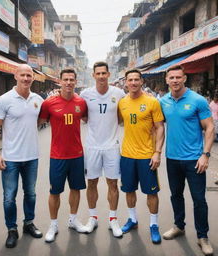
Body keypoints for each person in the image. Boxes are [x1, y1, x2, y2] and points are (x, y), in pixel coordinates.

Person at [160, 65, 214, 256]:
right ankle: (178, 226)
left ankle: (202, 236)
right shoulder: (163, 101)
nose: (174, 80)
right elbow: (158, 127)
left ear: (185, 79)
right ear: (167, 80)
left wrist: (205, 155)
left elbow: (209, 128)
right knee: (176, 195)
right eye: (171, 77)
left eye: (178, 77)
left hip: (194, 160)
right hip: (172, 159)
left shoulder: (197, 100)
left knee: (199, 199)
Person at [0, 64, 44, 248]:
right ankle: (12, 229)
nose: (26, 78)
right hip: (10, 159)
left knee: (31, 194)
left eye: (29, 75)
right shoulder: (5, 100)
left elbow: (45, 119)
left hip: (32, 157)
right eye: (23, 75)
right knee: (9, 197)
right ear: (16, 76)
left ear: (33, 78)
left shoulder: (38, 99)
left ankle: (28, 223)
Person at [39, 68, 88, 243]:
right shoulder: (49, 103)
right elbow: (38, 123)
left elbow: (88, 120)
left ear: (76, 82)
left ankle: (73, 220)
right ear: (59, 81)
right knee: (55, 192)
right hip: (57, 156)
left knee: (76, 189)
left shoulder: (81, 102)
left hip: (77, 155)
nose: (68, 82)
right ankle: (53, 225)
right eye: (65, 79)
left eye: (71, 80)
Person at [118, 69, 165, 244]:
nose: (133, 83)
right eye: (130, 80)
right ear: (126, 82)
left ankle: (154, 225)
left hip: (147, 156)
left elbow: (160, 127)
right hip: (127, 155)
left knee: (151, 193)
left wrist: (157, 153)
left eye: (136, 79)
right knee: (129, 190)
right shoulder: (122, 103)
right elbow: (115, 121)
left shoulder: (152, 102)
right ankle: (133, 219)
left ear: (142, 81)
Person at [80, 61, 125, 238]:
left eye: (103, 73)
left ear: (108, 74)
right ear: (93, 75)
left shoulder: (119, 93)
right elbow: (83, 117)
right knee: (91, 183)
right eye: (97, 73)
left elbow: (121, 118)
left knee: (113, 183)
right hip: (92, 147)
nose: (101, 76)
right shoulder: (85, 94)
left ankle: (113, 219)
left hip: (112, 147)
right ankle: (93, 217)